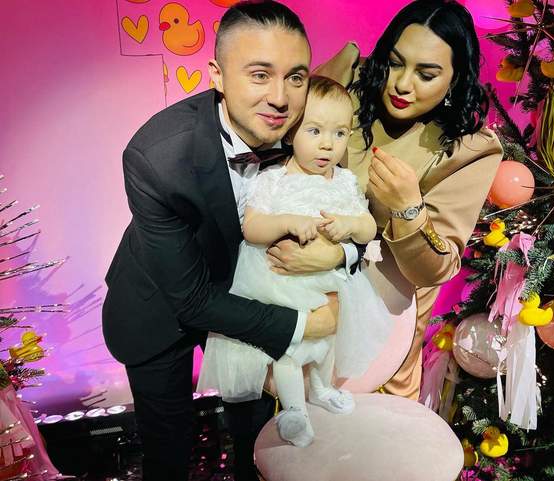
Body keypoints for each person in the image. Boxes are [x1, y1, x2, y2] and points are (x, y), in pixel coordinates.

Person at [101, 2, 363, 480]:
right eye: (260, 75)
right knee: (169, 448)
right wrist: (307, 323)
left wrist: (340, 252)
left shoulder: (311, 132)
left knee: (260, 435)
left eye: (296, 77)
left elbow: (348, 213)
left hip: (254, 295)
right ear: (218, 75)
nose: (280, 98)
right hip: (163, 305)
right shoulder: (157, 157)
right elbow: (192, 298)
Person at [315, 0, 504, 400]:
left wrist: (407, 209)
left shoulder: (468, 149)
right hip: (305, 304)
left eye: (426, 74)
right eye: (395, 63)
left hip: (384, 331)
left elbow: (436, 268)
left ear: (455, 79)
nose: (402, 84)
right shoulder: (348, 84)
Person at [198, 76, 393, 447]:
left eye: (340, 133)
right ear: (290, 133)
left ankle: (321, 388)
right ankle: (293, 409)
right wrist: (286, 222)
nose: (327, 144)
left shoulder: (345, 181)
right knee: (288, 350)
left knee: (329, 341)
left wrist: (351, 224)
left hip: (332, 282)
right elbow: (252, 227)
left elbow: (369, 227)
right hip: (282, 283)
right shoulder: (274, 179)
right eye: (315, 131)